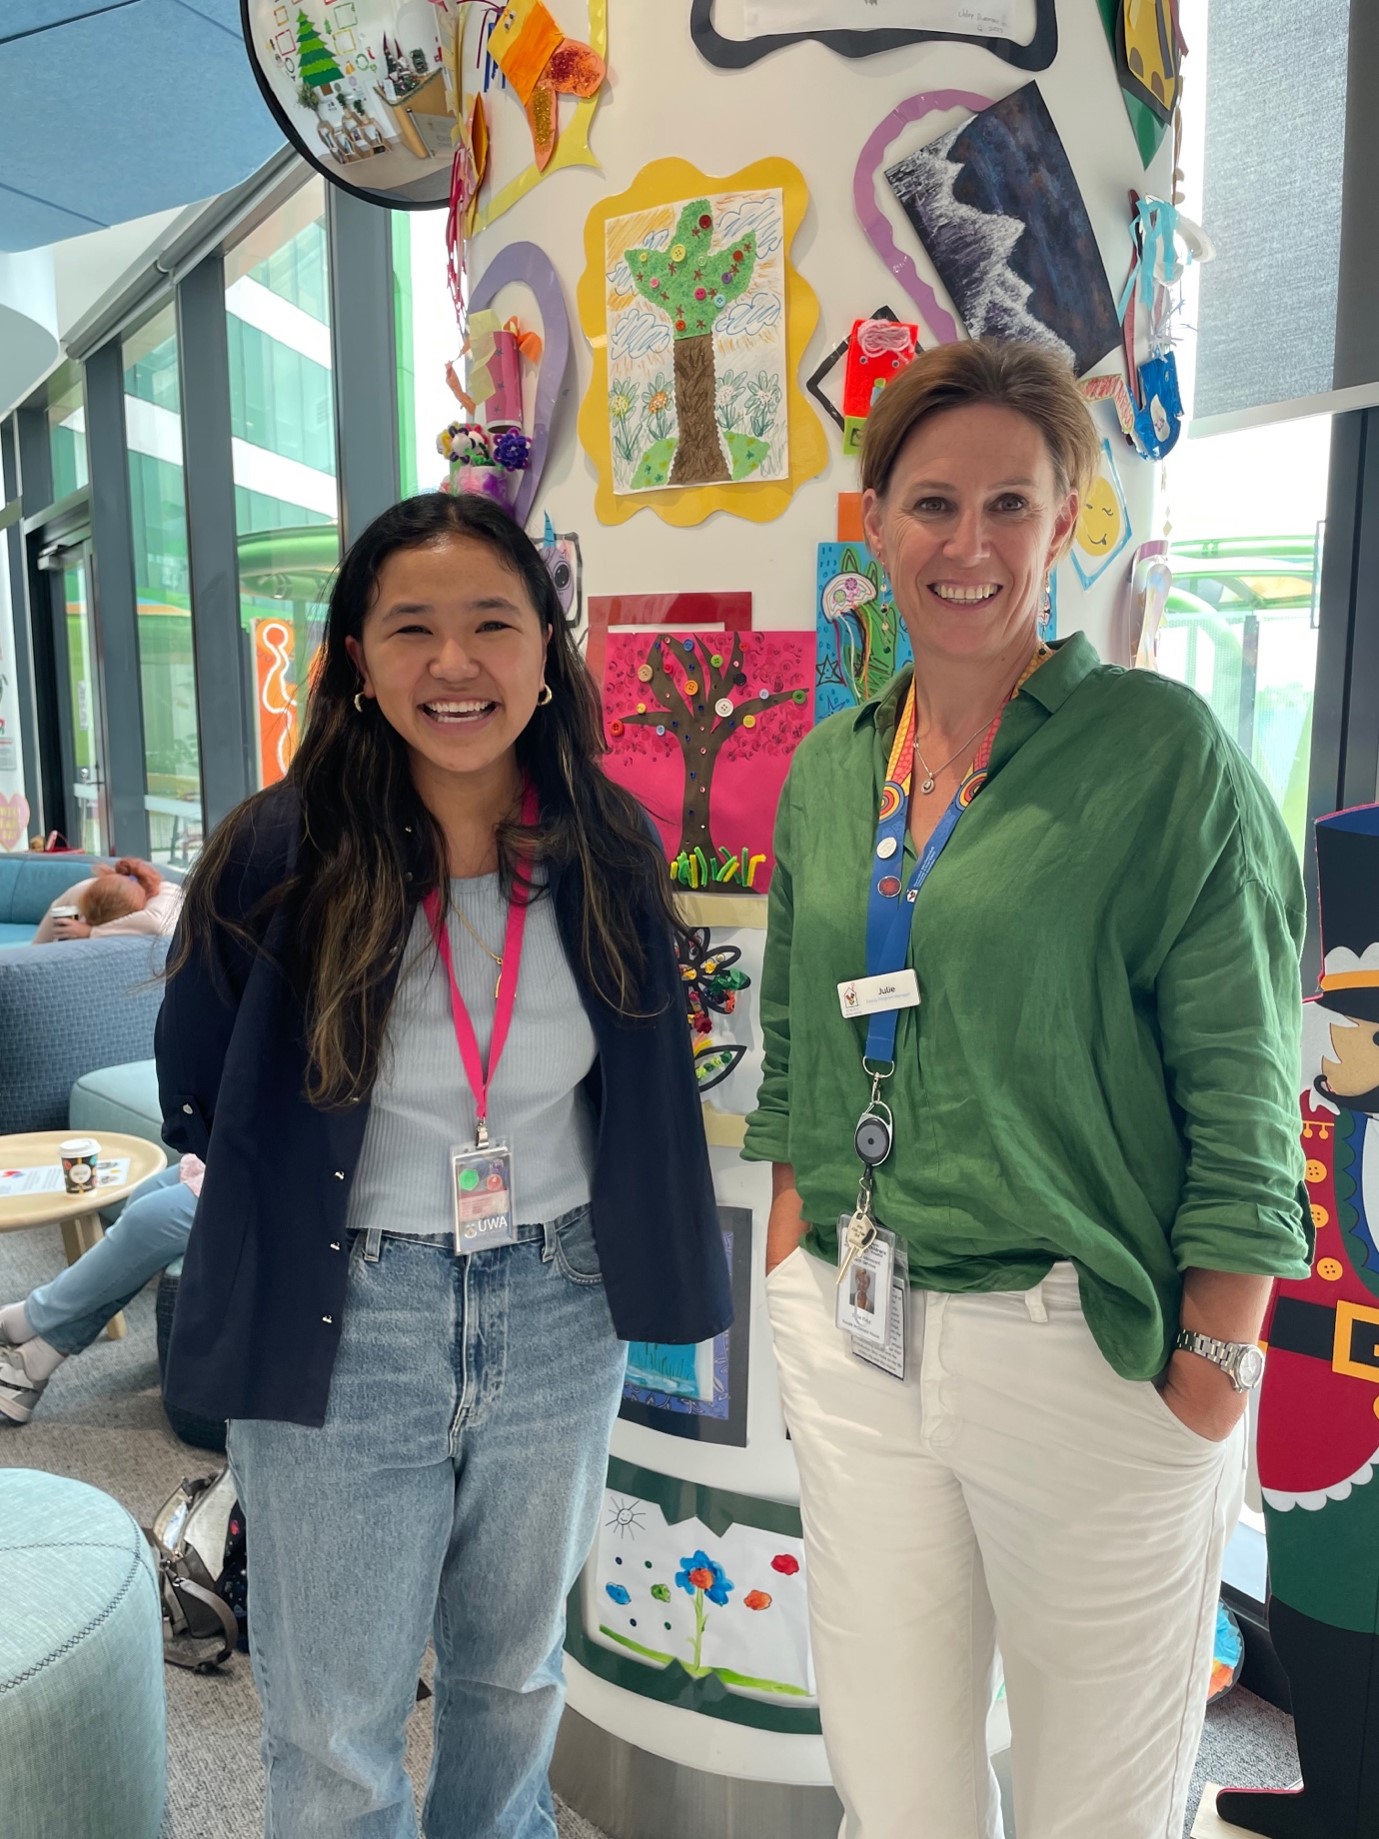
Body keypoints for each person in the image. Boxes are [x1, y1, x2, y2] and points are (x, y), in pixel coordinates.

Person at [744, 337, 1311, 1839]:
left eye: (1011, 503)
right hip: (857, 1329)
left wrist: (1213, 1370)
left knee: (1092, 1806)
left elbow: (1246, 1093)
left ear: (1064, 523)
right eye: (932, 503)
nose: (969, 543)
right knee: (893, 1789)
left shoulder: (1157, 753)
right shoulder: (828, 771)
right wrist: (792, 1251)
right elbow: (796, 1043)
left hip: (1082, 1345)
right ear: (875, 522)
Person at [156, 491, 729, 1839]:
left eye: (491, 623)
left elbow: (641, 1077)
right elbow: (200, 1073)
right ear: (358, 657)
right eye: (411, 627)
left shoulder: (607, 843)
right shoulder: (279, 850)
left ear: (546, 649)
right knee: (334, 1726)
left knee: (513, 1678)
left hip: (556, 1307)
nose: (454, 662)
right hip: (343, 1312)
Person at [0, 1158, 201, 1424]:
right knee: (144, 1196)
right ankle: (32, 1364)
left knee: (147, 1220)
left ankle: (21, 1321)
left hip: (254, 1182)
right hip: (226, 1155)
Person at [32, 856, 181, 943]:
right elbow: (38, 945)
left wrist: (90, 931)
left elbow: (155, 924)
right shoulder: (82, 891)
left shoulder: (167, 895)